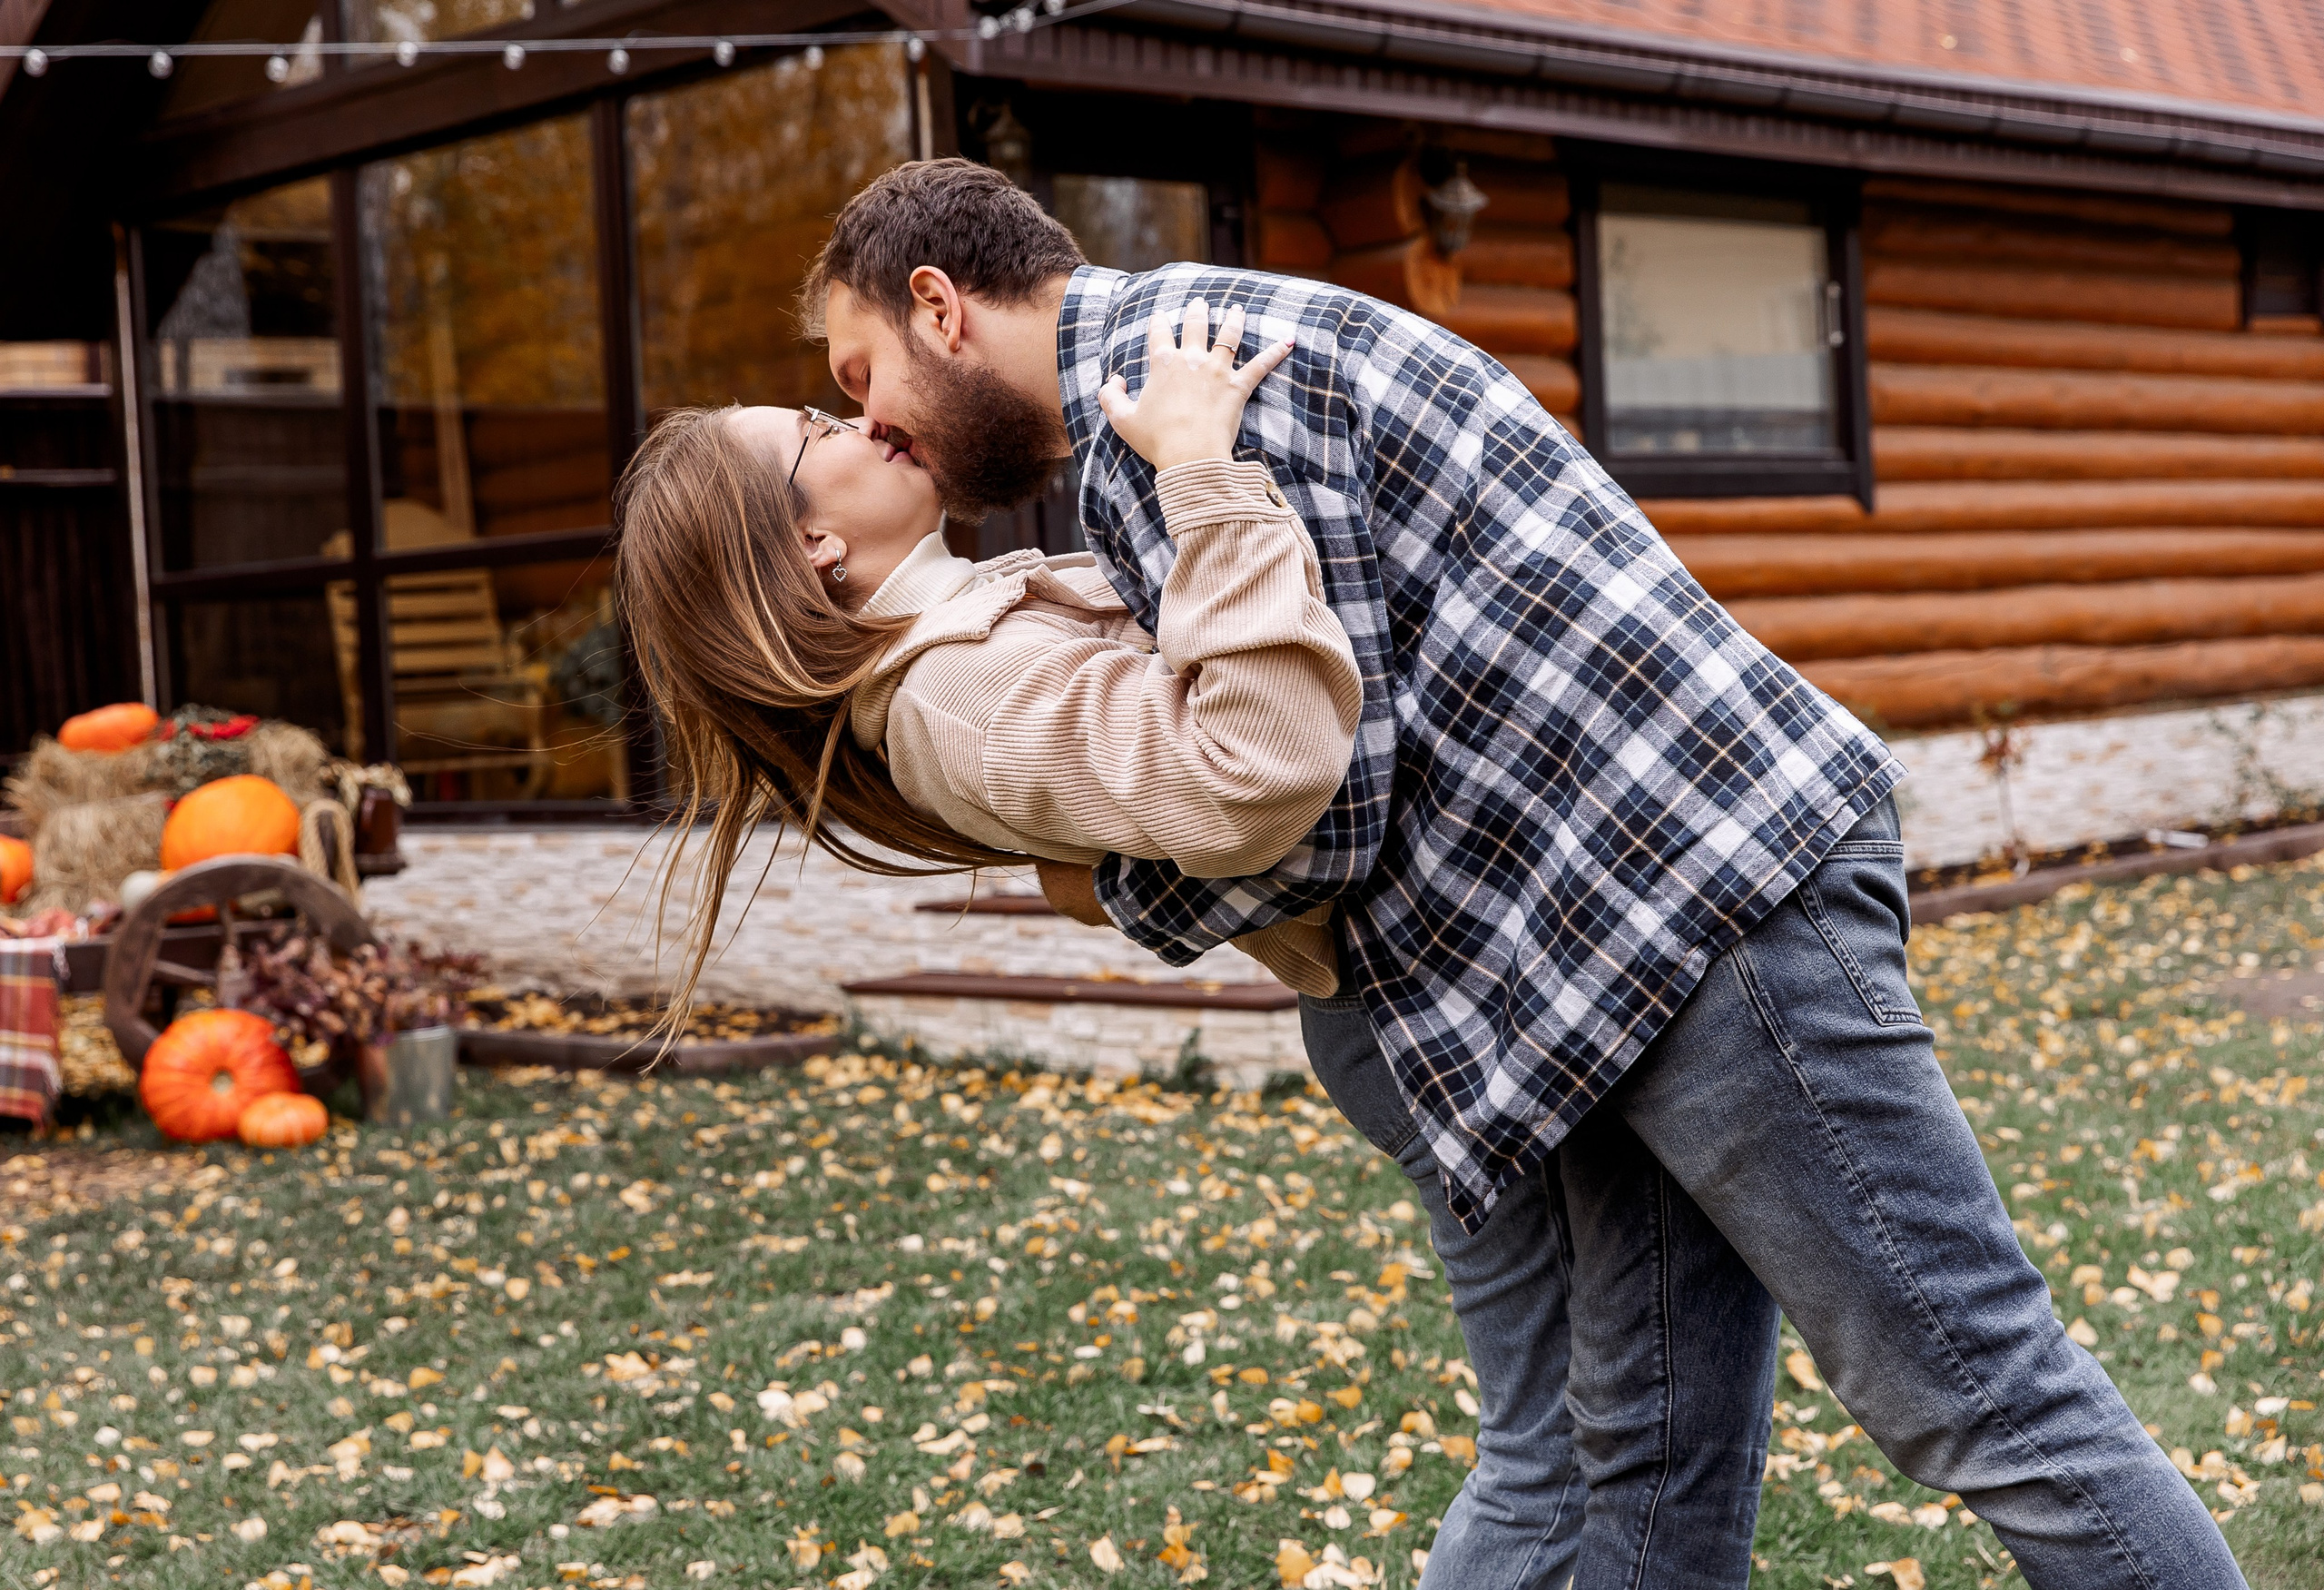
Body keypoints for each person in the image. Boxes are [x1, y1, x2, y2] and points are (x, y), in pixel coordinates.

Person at [794, 157, 2249, 1590]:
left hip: (1705, 903)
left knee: (1985, 1393)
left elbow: (1317, 801)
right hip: (1610, 945)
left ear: (941, 307)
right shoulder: (1181, 370)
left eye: (864, 376)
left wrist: (1115, 890)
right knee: (1655, 1453)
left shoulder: (1175, 408)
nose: (873, 420)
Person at [615, 301, 1352, 1012]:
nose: (867, 420)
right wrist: (1199, 466)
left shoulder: (968, 638)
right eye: (820, 427)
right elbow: (1249, 774)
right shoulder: (958, 693)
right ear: (814, 543)